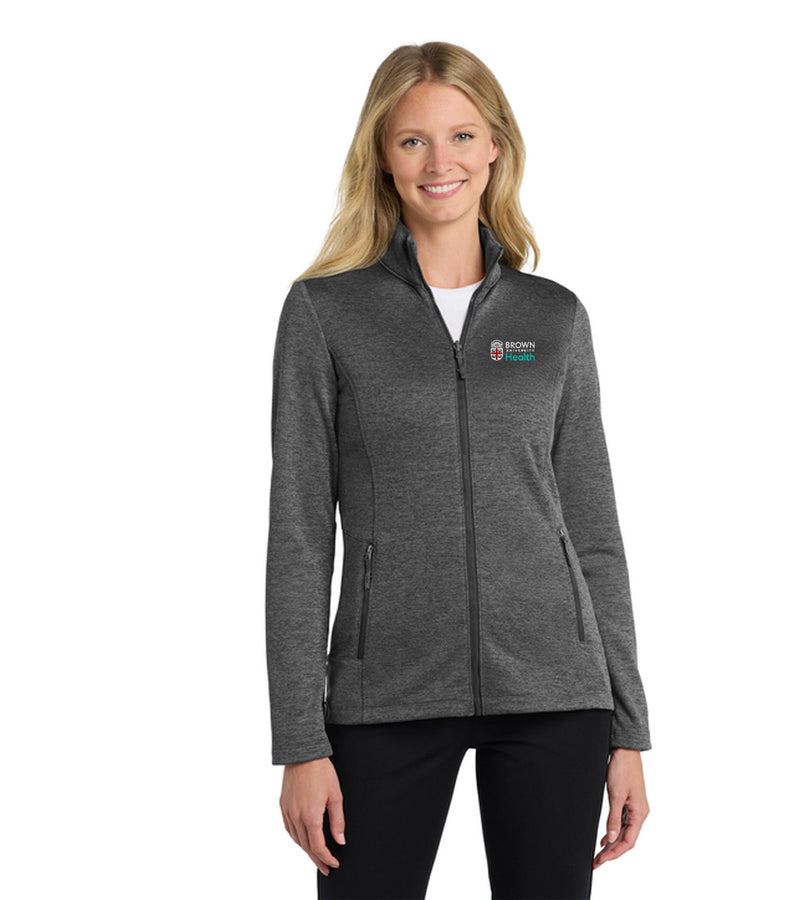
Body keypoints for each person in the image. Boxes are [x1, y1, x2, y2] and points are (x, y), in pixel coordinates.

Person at [265, 41, 652, 900]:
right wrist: (299, 739)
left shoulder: (553, 318)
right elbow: (298, 534)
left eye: (462, 136)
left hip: (557, 692)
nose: (440, 162)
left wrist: (629, 727)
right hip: (383, 694)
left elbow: (592, 530)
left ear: (496, 148)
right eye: (413, 140)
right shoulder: (326, 312)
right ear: (382, 156)